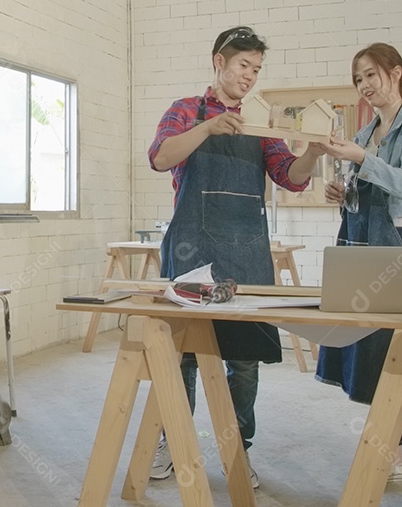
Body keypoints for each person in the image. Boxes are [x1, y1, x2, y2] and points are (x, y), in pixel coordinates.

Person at [147, 26, 323, 488]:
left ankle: (237, 449)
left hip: (245, 254)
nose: (249, 76)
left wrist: (315, 152)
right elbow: (161, 157)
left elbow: (292, 177)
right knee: (182, 355)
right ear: (218, 62)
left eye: (257, 69)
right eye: (243, 65)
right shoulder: (185, 110)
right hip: (191, 249)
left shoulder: (260, 120)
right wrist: (207, 127)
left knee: (243, 361)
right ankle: (173, 443)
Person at [315, 42, 402, 507]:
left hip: (398, 253)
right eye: (357, 79)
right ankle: (392, 452)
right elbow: (365, 193)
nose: (365, 86)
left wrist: (362, 160)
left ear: (396, 73)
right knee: (369, 361)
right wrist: (343, 190)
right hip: (359, 249)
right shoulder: (367, 129)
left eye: (371, 75)